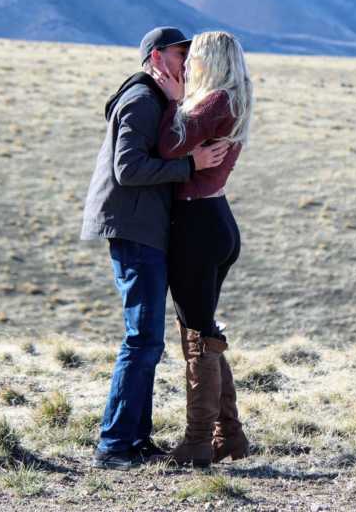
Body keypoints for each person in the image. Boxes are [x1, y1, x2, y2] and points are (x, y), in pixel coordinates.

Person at [80, 27, 231, 470]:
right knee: (142, 339)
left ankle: (135, 440)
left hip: (144, 227)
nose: (186, 59)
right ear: (156, 57)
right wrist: (190, 164)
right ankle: (114, 445)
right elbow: (127, 169)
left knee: (146, 340)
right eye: (179, 52)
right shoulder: (142, 100)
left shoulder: (156, 99)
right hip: (134, 228)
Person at [152, 31, 253, 467]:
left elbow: (168, 147)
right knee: (205, 334)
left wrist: (174, 101)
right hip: (215, 220)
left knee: (197, 338)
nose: (187, 65)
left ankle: (197, 444)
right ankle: (227, 435)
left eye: (193, 58)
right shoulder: (234, 99)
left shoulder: (213, 102)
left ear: (209, 59)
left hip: (198, 225)